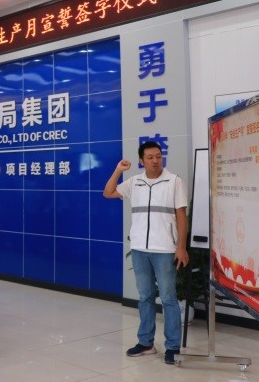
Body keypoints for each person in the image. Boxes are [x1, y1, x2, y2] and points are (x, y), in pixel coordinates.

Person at [103, 140, 189, 365]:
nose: (155, 161)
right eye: (150, 157)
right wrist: (118, 170)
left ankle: (173, 347)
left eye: (158, 156)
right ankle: (146, 342)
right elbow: (108, 192)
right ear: (142, 160)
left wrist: (181, 247)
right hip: (139, 249)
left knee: (169, 298)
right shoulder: (135, 182)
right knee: (145, 297)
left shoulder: (174, 181)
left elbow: (181, 216)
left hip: (165, 249)